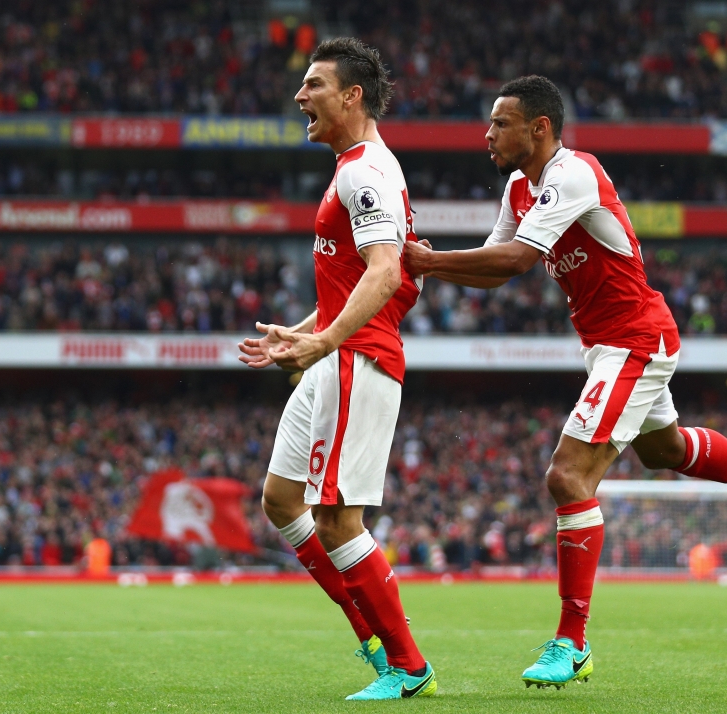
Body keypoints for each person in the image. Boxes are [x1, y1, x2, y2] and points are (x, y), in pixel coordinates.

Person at [403, 75, 727, 690]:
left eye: (500, 124)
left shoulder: (573, 173)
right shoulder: (519, 188)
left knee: (566, 476)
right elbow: (496, 269)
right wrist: (433, 267)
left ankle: (572, 642)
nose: (486, 135)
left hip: (635, 336)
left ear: (539, 128)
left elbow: (516, 260)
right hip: (606, 345)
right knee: (664, 450)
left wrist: (427, 261)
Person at [237, 38, 436, 702]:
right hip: (337, 350)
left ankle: (408, 666)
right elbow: (373, 274)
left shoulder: (364, 172)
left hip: (359, 357)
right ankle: (375, 640)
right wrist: (300, 333)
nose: (301, 97)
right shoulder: (355, 167)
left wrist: (324, 344)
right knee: (281, 501)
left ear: (352, 96)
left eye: (314, 85)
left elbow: (386, 274)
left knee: (338, 518)